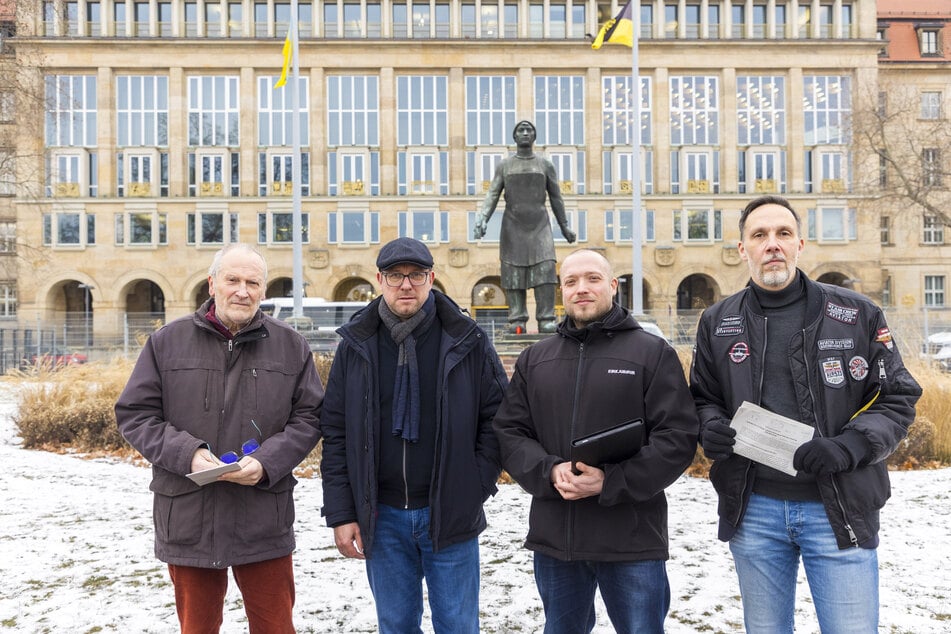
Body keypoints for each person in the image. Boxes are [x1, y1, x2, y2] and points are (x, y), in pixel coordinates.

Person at [690, 195, 922, 633]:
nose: (771, 244)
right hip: (753, 509)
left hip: (839, 506)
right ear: (743, 249)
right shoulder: (717, 321)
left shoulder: (856, 313)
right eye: (759, 235)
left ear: (801, 244)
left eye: (782, 234)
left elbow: (897, 395)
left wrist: (851, 445)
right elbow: (702, 397)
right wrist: (710, 428)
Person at [115, 243, 323, 634]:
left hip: (262, 514)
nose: (242, 291)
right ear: (213, 284)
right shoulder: (166, 343)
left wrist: (267, 461)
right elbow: (135, 414)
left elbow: (310, 417)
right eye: (233, 280)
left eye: (253, 282)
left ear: (263, 290)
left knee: (276, 626)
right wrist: (187, 454)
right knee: (197, 628)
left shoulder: (291, 346)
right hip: (190, 513)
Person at [492, 249, 700, 634]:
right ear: (561, 291)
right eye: (571, 282)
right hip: (557, 538)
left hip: (631, 536)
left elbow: (677, 438)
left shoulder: (651, 353)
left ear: (612, 286)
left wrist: (611, 481)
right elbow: (510, 432)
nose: (581, 289)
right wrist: (549, 470)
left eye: (592, 279)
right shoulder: (536, 358)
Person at [320, 237, 508, 633]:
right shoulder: (356, 345)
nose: (406, 285)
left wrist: (474, 485)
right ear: (379, 280)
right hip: (381, 514)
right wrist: (342, 512)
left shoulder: (466, 339)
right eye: (395, 275)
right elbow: (336, 432)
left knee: (458, 625)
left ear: (431, 278)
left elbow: (497, 418)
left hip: (450, 511)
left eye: (416, 275)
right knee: (397, 625)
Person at [474, 120, 577, 334]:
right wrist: (483, 217)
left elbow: (556, 197)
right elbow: (493, 193)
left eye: (529, 129)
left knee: (546, 270)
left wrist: (564, 226)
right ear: (514, 136)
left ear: (534, 135)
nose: (524, 133)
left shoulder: (545, 165)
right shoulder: (505, 165)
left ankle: (546, 318)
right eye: (520, 130)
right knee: (513, 273)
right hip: (513, 226)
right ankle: (517, 320)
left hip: (540, 225)